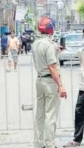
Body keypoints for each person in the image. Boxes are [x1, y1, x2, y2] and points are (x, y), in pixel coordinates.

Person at [32, 17, 67, 148]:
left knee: (40, 115)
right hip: (50, 82)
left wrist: (55, 50)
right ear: (50, 29)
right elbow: (52, 67)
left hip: (40, 80)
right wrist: (61, 85)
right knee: (50, 115)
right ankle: (49, 144)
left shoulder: (36, 43)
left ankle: (39, 143)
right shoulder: (49, 45)